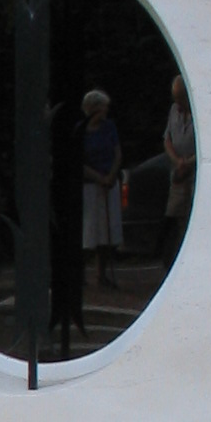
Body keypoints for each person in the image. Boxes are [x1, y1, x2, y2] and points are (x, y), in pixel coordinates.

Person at [80, 89, 122, 289]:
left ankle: (101, 274)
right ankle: (79, 275)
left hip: (109, 183)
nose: (106, 110)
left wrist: (111, 175)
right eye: (103, 106)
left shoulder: (109, 127)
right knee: (88, 230)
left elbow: (117, 152)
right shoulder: (81, 130)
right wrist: (98, 178)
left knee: (108, 230)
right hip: (89, 184)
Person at [162, 73, 196, 273]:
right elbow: (167, 139)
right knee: (174, 215)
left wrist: (189, 163)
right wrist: (178, 161)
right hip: (178, 171)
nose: (178, 103)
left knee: (190, 214)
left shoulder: (199, 114)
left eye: (180, 98)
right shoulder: (174, 111)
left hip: (194, 172)